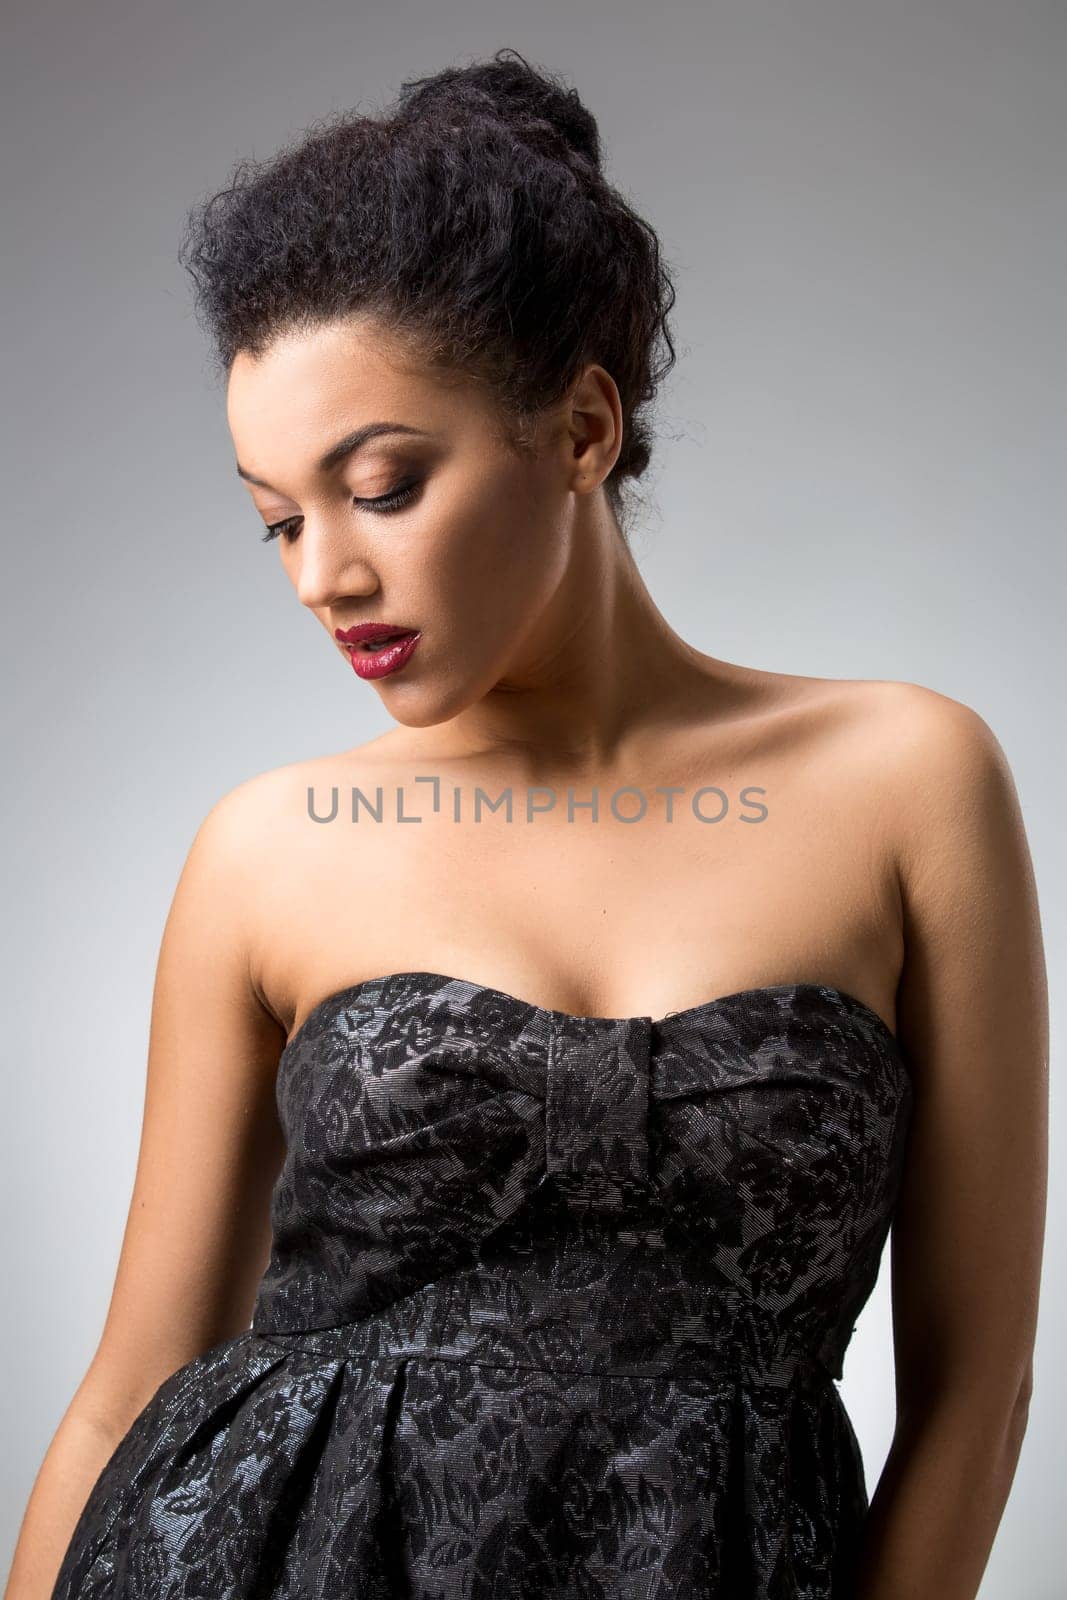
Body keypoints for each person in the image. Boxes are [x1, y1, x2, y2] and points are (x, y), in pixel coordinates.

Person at [7, 46, 1047, 1600]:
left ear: (580, 431)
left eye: (384, 484)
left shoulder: (911, 779)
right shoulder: (266, 850)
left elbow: (975, 1392)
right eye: (281, 518)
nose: (322, 576)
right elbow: (128, 1387)